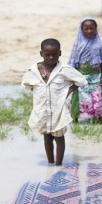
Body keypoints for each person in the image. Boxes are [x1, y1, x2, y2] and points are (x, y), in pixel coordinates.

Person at [22, 38, 87, 166]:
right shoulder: (33, 71)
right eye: (47, 54)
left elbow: (81, 81)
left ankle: (58, 165)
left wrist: (67, 91)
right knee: (47, 138)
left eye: (54, 54)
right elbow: (26, 85)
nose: (51, 57)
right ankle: (50, 163)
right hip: (43, 111)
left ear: (60, 53)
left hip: (59, 111)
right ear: (41, 54)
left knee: (59, 137)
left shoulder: (64, 69)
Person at [68, 18, 102, 123]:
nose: (89, 31)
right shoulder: (77, 44)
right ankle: (75, 119)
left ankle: (99, 119)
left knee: (97, 98)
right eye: (86, 29)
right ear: (81, 29)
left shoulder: (98, 43)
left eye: (92, 28)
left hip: (96, 75)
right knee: (79, 98)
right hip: (81, 75)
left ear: (96, 29)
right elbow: (73, 61)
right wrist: (73, 78)